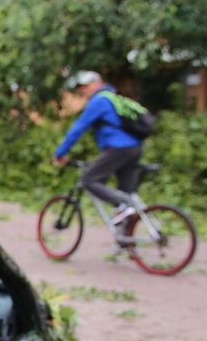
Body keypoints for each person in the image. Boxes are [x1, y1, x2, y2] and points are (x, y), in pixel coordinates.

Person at [53, 70, 143, 226]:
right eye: (80, 87)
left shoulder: (99, 101)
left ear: (97, 83)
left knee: (89, 180)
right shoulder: (114, 98)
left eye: (85, 86)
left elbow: (78, 129)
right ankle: (126, 242)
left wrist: (60, 153)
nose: (83, 90)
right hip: (134, 148)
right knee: (125, 197)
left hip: (119, 148)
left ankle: (123, 205)